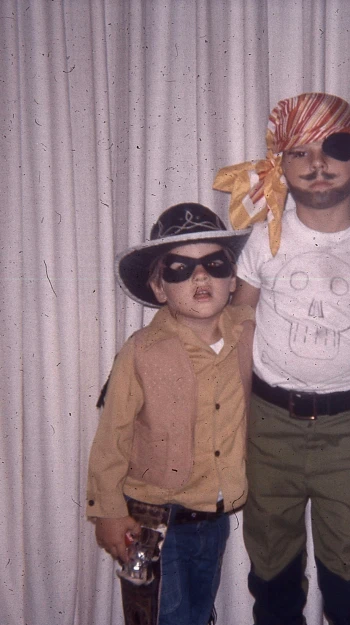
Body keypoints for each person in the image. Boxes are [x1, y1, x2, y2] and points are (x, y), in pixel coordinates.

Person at [213, 92, 350, 625]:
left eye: (335, 148)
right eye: (300, 152)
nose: (318, 163)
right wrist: (234, 429)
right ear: (280, 166)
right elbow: (240, 326)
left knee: (349, 575)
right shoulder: (265, 241)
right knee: (272, 569)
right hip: (268, 427)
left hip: (347, 433)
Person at [86, 202, 253, 625]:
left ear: (232, 279)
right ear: (160, 287)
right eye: (180, 269)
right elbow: (112, 436)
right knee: (164, 616)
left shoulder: (252, 333)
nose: (200, 277)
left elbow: (302, 346)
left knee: (199, 613)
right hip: (150, 520)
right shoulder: (141, 350)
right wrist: (107, 511)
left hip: (212, 517)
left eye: (214, 265)